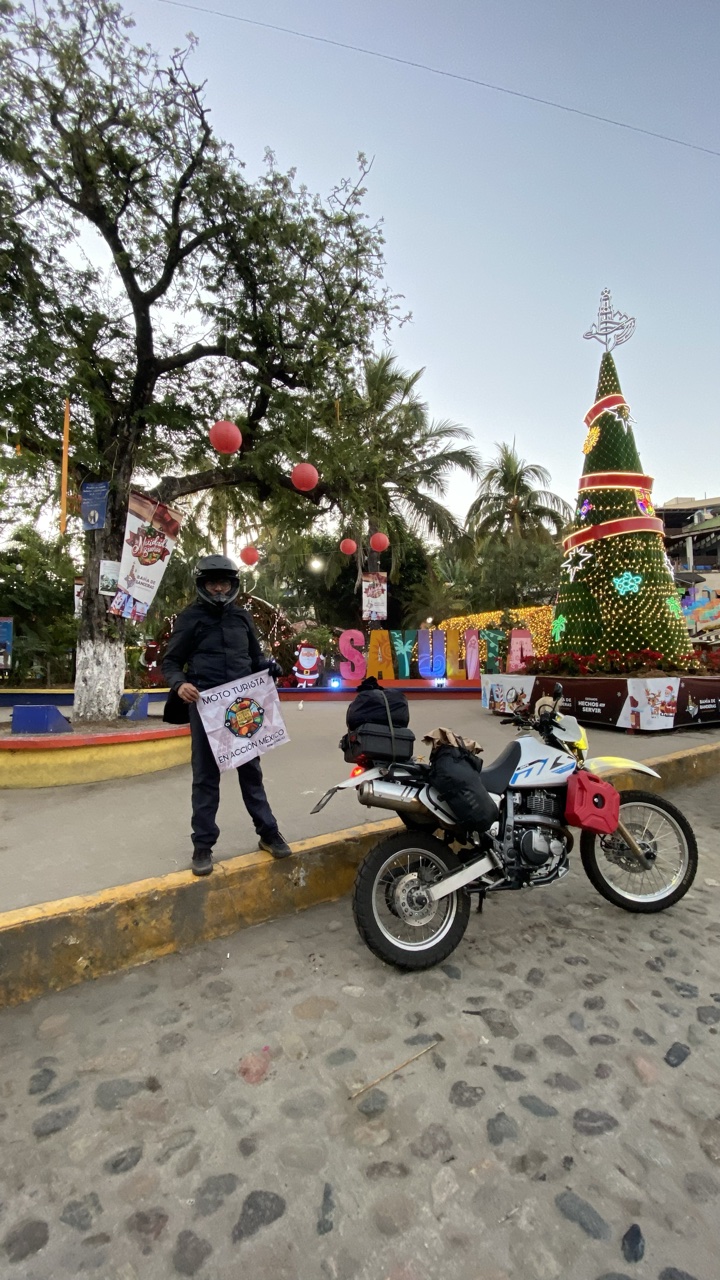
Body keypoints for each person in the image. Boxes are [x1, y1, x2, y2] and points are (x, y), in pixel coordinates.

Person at [163, 554, 291, 876]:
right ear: (203, 585)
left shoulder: (243, 618)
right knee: (206, 779)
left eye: (224, 582)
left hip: (242, 709)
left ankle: (269, 834)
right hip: (205, 708)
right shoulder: (189, 618)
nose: (219, 588)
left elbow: (255, 658)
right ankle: (203, 846)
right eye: (212, 582)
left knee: (252, 774)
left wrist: (269, 666)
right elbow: (171, 663)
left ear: (233, 584)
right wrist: (180, 684)